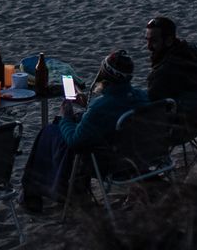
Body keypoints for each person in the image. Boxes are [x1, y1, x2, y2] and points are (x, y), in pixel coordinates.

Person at [20, 50, 147, 213]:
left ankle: (37, 193)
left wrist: (66, 116)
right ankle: (70, 189)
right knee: (65, 126)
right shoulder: (142, 97)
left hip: (109, 163)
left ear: (106, 75)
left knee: (49, 132)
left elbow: (75, 141)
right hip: (140, 157)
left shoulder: (101, 107)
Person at [144, 16, 197, 133]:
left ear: (168, 41)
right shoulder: (193, 53)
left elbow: (151, 102)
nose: (148, 47)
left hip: (178, 128)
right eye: (147, 40)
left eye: (153, 41)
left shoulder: (165, 71)